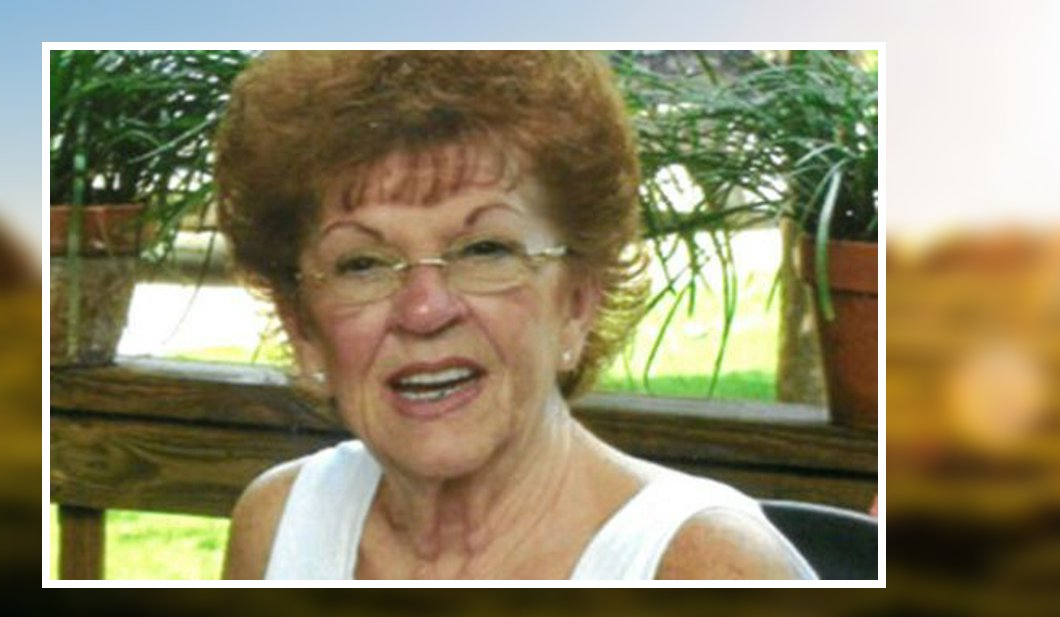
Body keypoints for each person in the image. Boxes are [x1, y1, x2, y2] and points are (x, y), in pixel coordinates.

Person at [216, 50, 816, 580]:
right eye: (363, 264)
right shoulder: (281, 527)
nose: (424, 309)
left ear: (578, 301)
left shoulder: (708, 568)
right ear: (302, 326)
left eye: (484, 251)